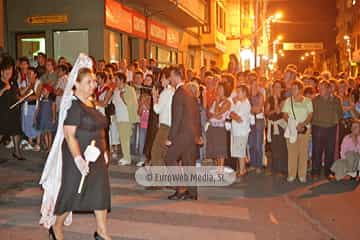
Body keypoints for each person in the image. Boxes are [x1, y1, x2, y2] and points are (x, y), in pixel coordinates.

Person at [40, 58, 111, 240]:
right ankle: (56, 226)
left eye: (94, 81)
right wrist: (78, 159)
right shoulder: (73, 106)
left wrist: (104, 151)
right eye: (88, 82)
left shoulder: (92, 103)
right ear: (76, 84)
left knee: (100, 191)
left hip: (96, 156)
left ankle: (102, 232)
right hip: (76, 156)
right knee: (73, 193)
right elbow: (69, 135)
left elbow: (100, 129)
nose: (93, 85)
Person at [165, 66, 202, 200]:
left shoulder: (179, 93)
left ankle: (181, 188)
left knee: (169, 158)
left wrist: (170, 137)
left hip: (183, 133)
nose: (169, 79)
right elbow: (197, 114)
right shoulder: (189, 91)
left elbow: (177, 118)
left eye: (170, 76)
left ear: (176, 76)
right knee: (188, 162)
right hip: (191, 133)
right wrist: (198, 134)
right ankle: (192, 192)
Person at [311, 80, 343, 180]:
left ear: (329, 89)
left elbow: (340, 114)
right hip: (318, 127)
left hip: (331, 128)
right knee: (317, 150)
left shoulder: (336, 100)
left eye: (322, 88)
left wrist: (334, 121)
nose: (319, 89)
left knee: (330, 151)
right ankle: (315, 171)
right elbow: (311, 113)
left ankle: (328, 171)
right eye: (319, 88)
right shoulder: (315, 99)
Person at [282, 80, 313, 183]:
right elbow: (285, 115)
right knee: (292, 153)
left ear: (300, 89)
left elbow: (310, 115)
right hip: (292, 129)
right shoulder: (288, 101)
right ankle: (291, 174)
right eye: (292, 88)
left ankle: (302, 175)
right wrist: (294, 124)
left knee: (303, 153)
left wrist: (302, 124)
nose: (292, 90)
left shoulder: (308, 101)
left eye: (294, 88)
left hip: (304, 129)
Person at [0, 56, 25, 160]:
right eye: (7, 71)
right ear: (1, 71)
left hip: (14, 110)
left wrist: (21, 98)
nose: (9, 73)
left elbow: (17, 94)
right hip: (3, 111)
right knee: (1, 132)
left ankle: (17, 152)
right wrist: (4, 89)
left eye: (10, 70)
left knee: (16, 131)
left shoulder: (13, 81)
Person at [113, 72, 139, 166]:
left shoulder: (130, 89)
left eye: (116, 79)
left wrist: (122, 97)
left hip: (127, 118)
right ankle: (125, 156)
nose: (114, 81)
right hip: (119, 117)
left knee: (125, 139)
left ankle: (127, 158)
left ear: (122, 80)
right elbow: (115, 104)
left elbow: (133, 104)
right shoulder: (115, 90)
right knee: (122, 138)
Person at [150, 68, 174, 167]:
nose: (161, 80)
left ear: (169, 79)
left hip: (165, 126)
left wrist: (155, 97)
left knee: (156, 153)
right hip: (171, 125)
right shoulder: (173, 91)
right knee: (165, 154)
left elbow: (157, 109)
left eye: (163, 78)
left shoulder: (166, 92)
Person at [206, 82, 231, 172]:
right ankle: (217, 169)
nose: (218, 90)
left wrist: (216, 103)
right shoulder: (215, 100)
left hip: (220, 128)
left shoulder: (227, 102)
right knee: (215, 150)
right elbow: (209, 113)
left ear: (225, 90)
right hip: (212, 127)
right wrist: (214, 114)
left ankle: (220, 170)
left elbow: (218, 113)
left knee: (220, 150)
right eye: (218, 88)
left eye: (220, 89)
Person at [265, 81, 288, 176]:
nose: (276, 89)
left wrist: (276, 102)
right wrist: (273, 105)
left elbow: (280, 112)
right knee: (274, 147)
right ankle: (274, 168)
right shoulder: (269, 99)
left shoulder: (284, 99)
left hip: (281, 125)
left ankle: (282, 169)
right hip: (272, 124)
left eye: (278, 87)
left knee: (282, 147)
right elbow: (266, 112)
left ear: (282, 89)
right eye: (275, 87)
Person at [229, 85, 251, 177]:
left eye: (239, 92)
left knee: (241, 151)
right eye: (236, 92)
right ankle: (241, 169)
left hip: (242, 131)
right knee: (238, 151)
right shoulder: (238, 103)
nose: (237, 94)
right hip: (236, 131)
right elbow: (231, 113)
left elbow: (238, 118)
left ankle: (242, 170)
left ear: (244, 93)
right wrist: (233, 115)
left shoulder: (246, 104)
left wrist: (233, 115)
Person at [20, 67, 42, 151]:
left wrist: (25, 98)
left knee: (35, 124)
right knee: (27, 124)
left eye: (30, 73)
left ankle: (37, 144)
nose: (28, 75)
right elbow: (21, 93)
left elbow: (37, 96)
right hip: (26, 106)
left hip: (34, 106)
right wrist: (28, 86)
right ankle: (30, 142)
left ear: (35, 74)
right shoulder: (25, 82)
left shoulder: (39, 83)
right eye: (27, 73)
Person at [248, 77, 265, 173]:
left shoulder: (260, 95)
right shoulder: (248, 96)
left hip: (258, 121)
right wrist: (251, 109)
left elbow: (258, 109)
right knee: (251, 144)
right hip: (250, 121)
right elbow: (248, 109)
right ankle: (253, 164)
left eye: (256, 85)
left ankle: (259, 165)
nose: (254, 87)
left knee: (258, 143)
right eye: (252, 84)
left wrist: (250, 109)